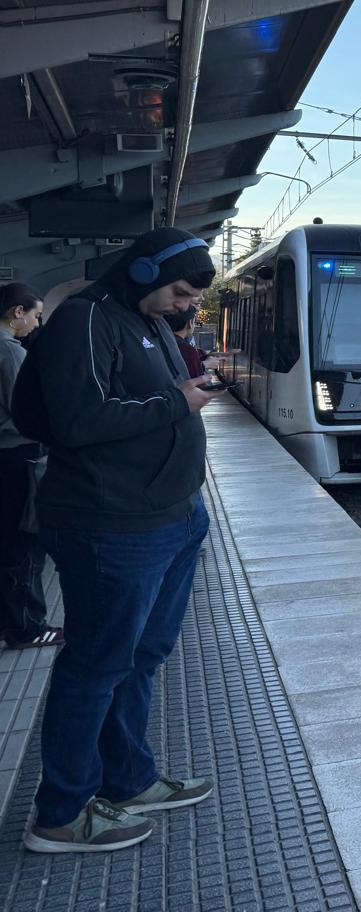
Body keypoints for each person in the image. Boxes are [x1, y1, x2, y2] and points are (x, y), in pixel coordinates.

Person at [17, 230, 221, 853]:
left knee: (142, 657)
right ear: (141, 271)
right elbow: (80, 422)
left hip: (171, 517)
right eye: (180, 291)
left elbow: (148, 397)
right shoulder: (83, 320)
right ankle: (60, 814)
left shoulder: (146, 320)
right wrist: (180, 401)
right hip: (111, 526)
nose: (186, 305)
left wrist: (184, 394)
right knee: (95, 666)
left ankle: (128, 780)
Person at [0, 283, 58, 650]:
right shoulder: (9, 353)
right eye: (36, 314)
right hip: (16, 456)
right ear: (17, 312)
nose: (37, 324)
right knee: (23, 544)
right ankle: (28, 626)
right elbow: (26, 410)